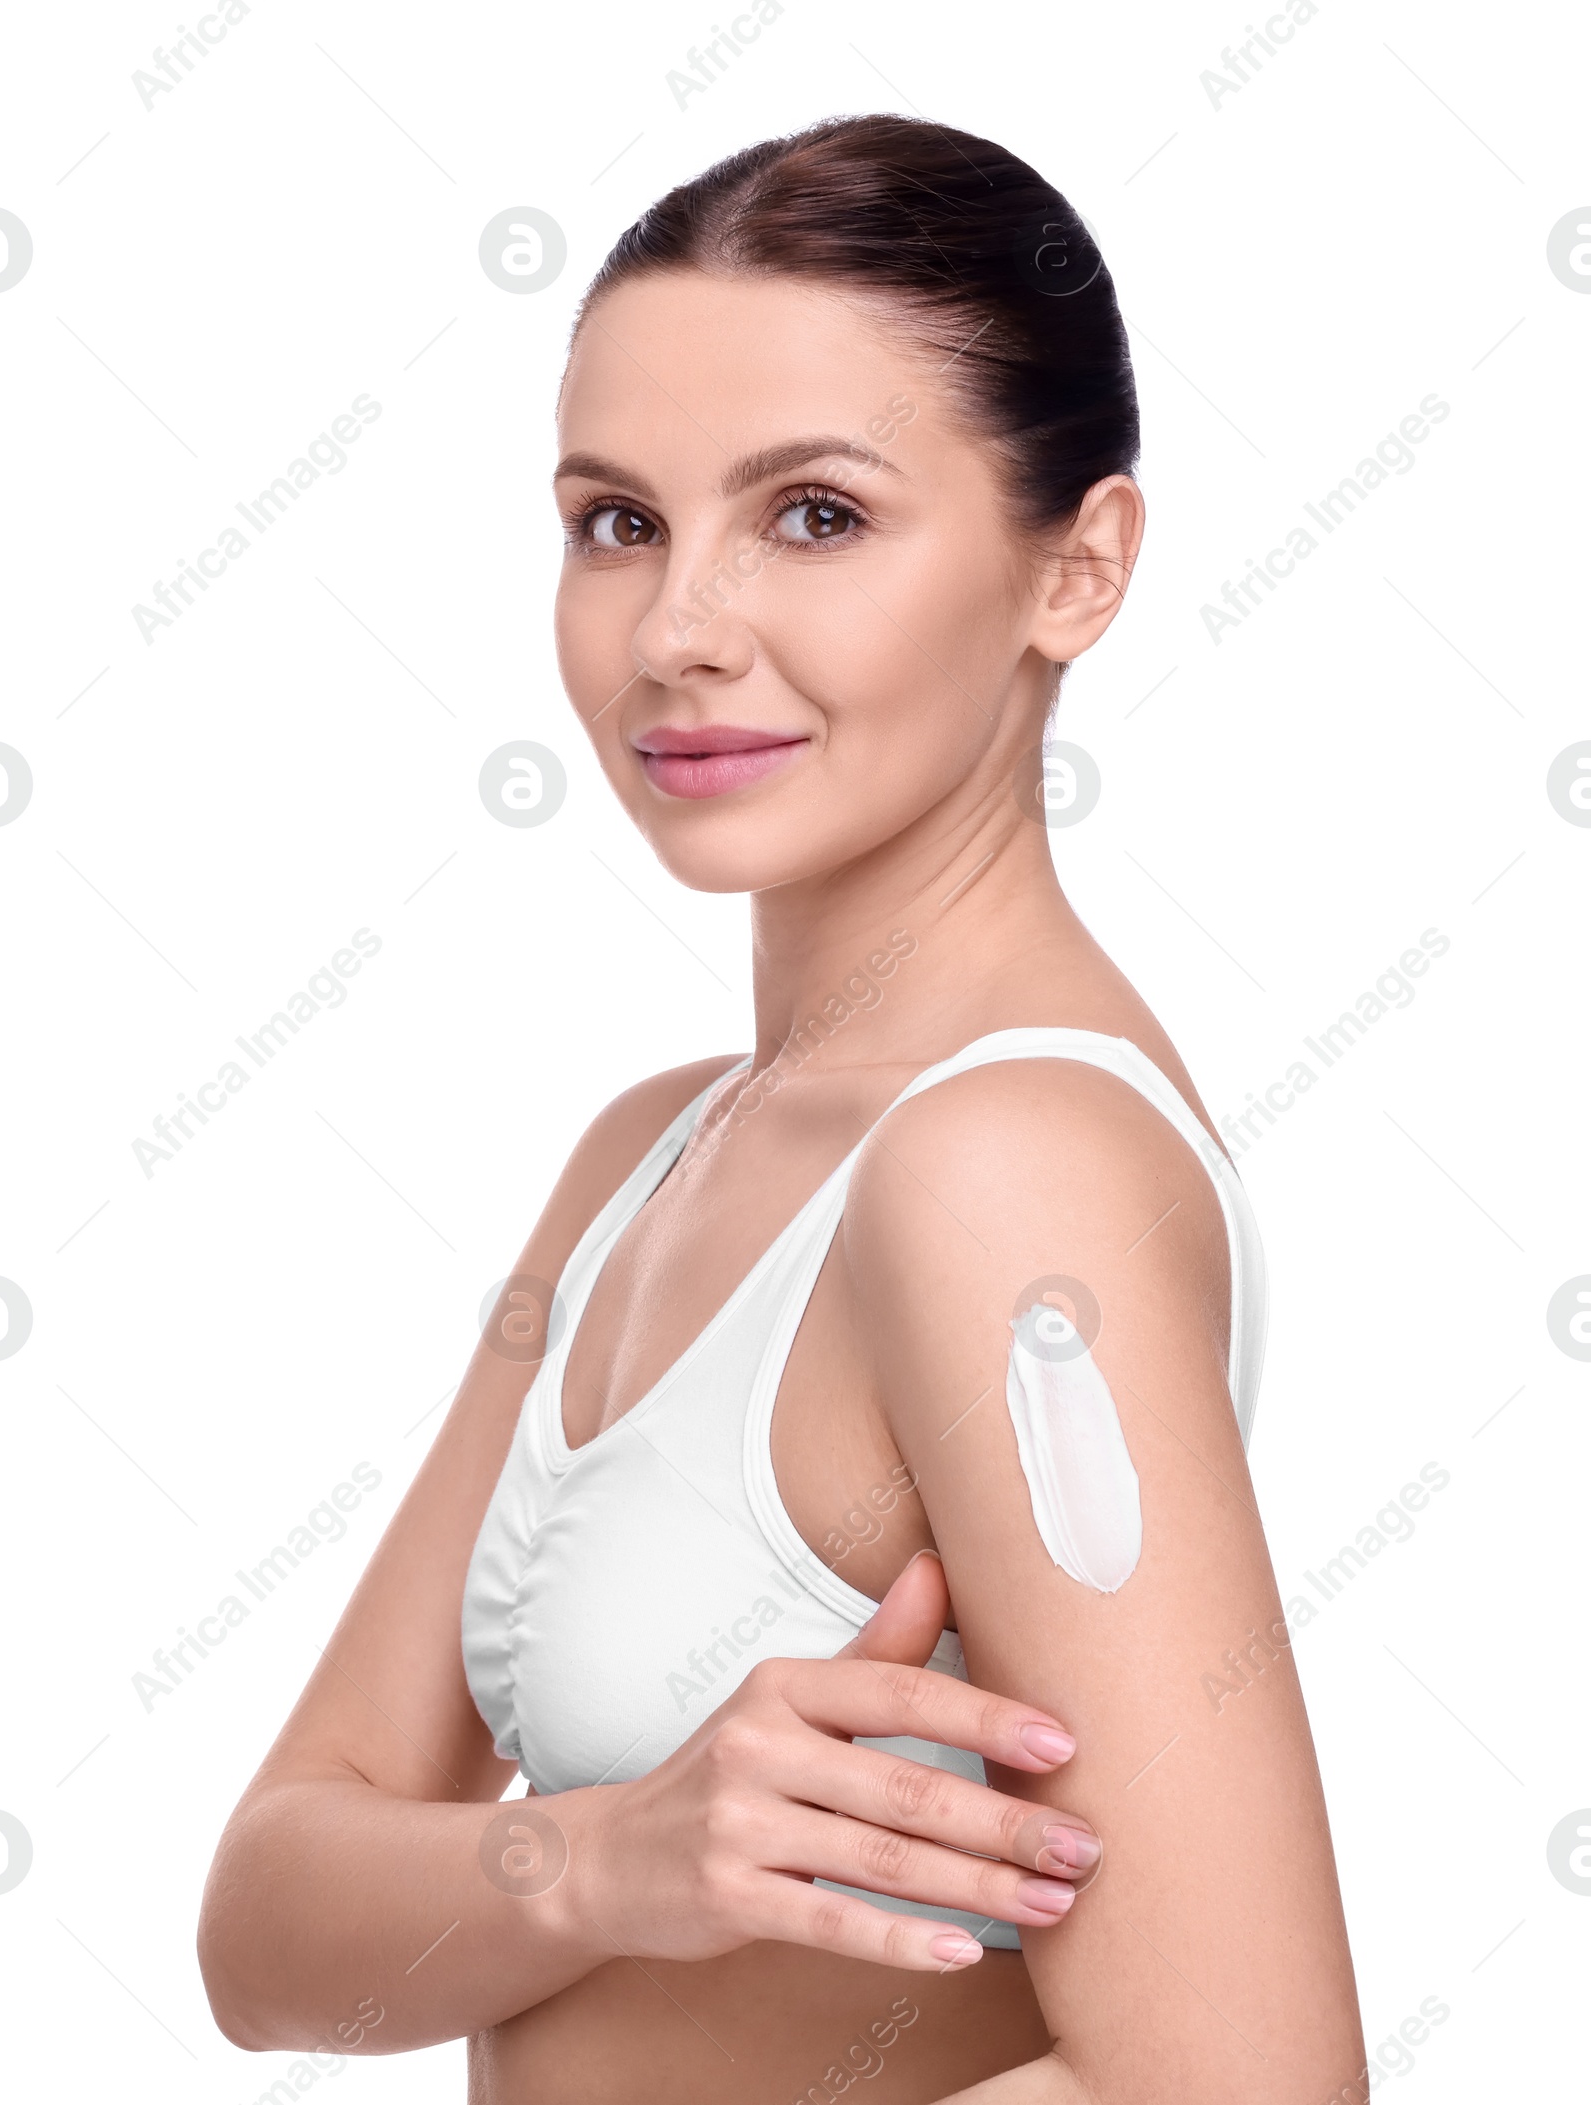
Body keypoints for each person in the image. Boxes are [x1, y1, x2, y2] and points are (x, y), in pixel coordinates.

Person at [199, 115, 1365, 2103]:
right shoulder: (645, 1158)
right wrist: (612, 1859)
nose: (675, 633)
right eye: (614, 521)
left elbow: (1243, 2086)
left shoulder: (1007, 1173)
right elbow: (268, 1930)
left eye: (813, 515)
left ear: (1074, 570)